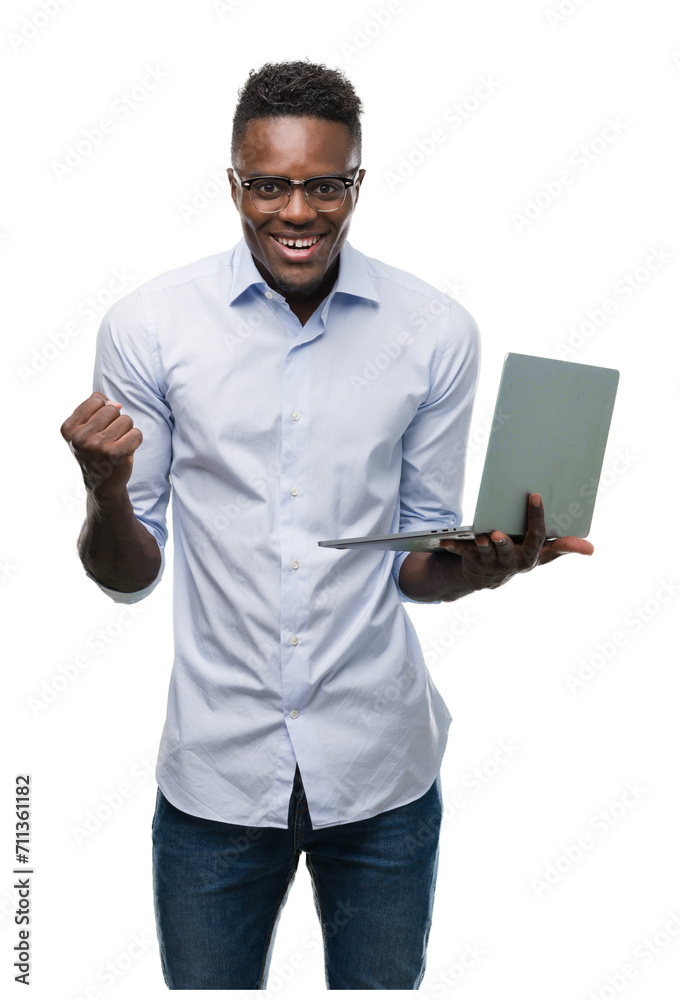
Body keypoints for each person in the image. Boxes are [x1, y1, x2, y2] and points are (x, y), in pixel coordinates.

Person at [60, 60, 593, 990]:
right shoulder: (149, 327)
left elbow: (419, 559)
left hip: (382, 774)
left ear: (357, 181)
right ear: (233, 183)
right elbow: (128, 575)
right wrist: (106, 489)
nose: (296, 212)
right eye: (267, 185)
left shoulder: (433, 332)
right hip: (215, 780)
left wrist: (485, 567)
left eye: (324, 184)